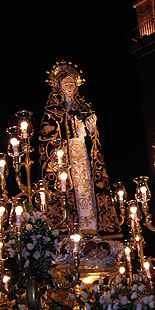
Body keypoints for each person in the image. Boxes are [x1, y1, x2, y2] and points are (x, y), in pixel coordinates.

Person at [39, 60, 121, 238]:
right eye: (66, 83)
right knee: (69, 193)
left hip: (85, 156)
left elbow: (94, 140)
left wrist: (92, 130)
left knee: (89, 191)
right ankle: (71, 233)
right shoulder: (53, 111)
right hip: (67, 159)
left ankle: (93, 230)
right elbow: (47, 137)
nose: (69, 86)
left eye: (72, 83)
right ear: (59, 86)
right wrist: (67, 125)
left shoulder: (84, 108)